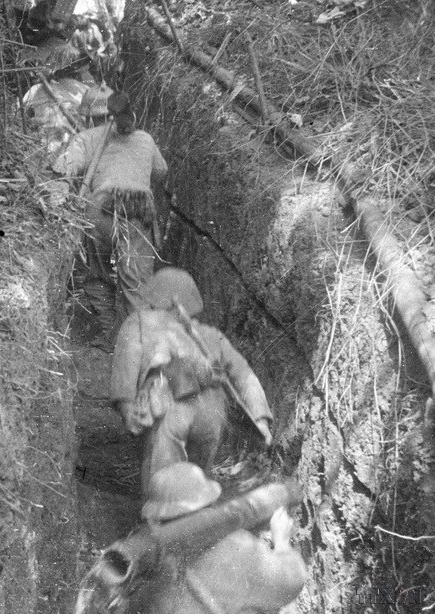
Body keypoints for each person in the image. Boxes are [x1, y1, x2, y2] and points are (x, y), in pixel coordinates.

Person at [110, 267, 274, 492]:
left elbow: (125, 371)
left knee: (161, 482)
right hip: (212, 416)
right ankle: (194, 516)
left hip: (169, 413)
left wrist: (129, 411)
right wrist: (260, 418)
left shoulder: (136, 324)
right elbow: (243, 374)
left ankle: (157, 522)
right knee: (196, 481)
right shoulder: (210, 334)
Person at [53, 91, 168, 333]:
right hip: (138, 210)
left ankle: (106, 332)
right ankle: (135, 343)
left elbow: (63, 167)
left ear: (88, 118)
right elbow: (160, 172)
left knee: (99, 272)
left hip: (100, 209)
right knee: (136, 280)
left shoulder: (85, 138)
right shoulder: (145, 138)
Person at [137, 461, 307, 613]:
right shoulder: (237, 548)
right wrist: (282, 543)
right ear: (208, 503)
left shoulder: (144, 551)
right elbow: (290, 585)